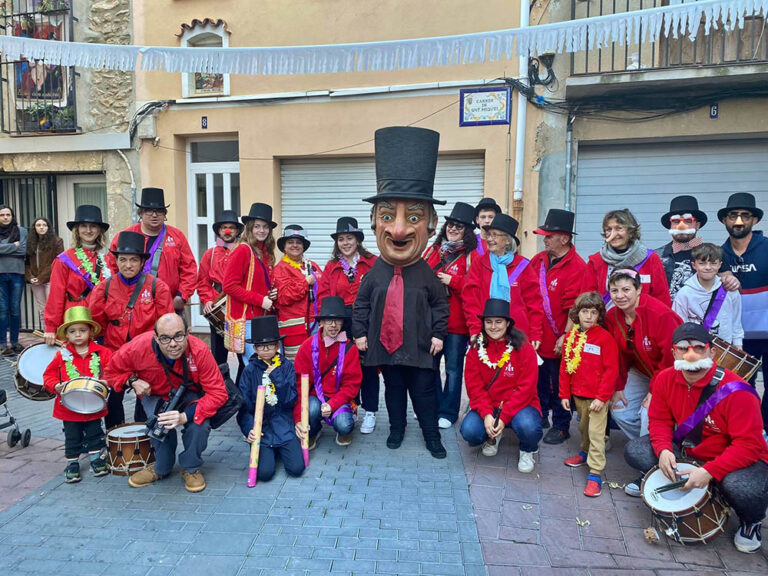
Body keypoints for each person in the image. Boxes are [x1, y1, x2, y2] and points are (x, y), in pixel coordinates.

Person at [624, 322, 768, 554]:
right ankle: (685, 477)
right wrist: (664, 450)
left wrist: (710, 471)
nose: (690, 354)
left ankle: (751, 521)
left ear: (712, 352)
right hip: (691, 451)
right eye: (682, 348)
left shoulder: (738, 391)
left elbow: (748, 446)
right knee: (636, 450)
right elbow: (659, 421)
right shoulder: (664, 379)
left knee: (740, 488)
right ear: (674, 353)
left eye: (699, 347)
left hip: (738, 460)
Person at [352, 126, 450, 459]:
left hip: (421, 349)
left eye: (414, 216)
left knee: (425, 395)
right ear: (374, 222)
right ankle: (396, 430)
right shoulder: (373, 273)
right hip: (386, 350)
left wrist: (438, 335)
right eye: (387, 215)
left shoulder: (427, 274)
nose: (398, 230)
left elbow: (441, 305)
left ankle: (432, 437)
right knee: (393, 393)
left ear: (431, 224)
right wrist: (360, 334)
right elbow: (361, 306)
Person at [104, 314, 227, 492]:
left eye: (179, 336)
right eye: (165, 338)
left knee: (199, 425)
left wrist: (185, 416)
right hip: (155, 394)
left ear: (188, 333)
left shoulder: (199, 350)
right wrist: (132, 381)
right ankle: (161, 467)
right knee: (157, 425)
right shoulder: (137, 347)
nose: (173, 344)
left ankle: (191, 467)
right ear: (156, 337)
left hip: (188, 394)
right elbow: (110, 372)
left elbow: (218, 392)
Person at [603, 269, 682, 496]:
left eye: (626, 289)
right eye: (614, 290)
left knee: (650, 412)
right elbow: (618, 354)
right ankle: (648, 450)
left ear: (639, 289)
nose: (620, 295)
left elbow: (671, 358)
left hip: (669, 373)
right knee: (620, 410)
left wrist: (654, 391)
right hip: (639, 370)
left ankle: (651, 469)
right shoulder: (612, 316)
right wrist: (618, 386)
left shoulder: (660, 314)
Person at [90, 231, 174, 429]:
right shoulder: (104, 288)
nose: (128, 265)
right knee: (112, 398)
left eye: (134, 260)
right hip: (114, 351)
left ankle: (143, 438)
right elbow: (96, 323)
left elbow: (166, 324)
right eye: (123, 259)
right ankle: (113, 435)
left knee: (145, 399)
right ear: (116, 261)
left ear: (142, 262)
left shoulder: (157, 287)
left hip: (146, 353)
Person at [460, 298, 542, 473]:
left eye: (498, 322)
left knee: (529, 427)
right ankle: (494, 435)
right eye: (488, 322)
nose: (493, 327)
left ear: (507, 324)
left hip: (520, 406)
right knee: (469, 431)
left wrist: (504, 417)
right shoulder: (475, 348)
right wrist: (487, 415)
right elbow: (474, 388)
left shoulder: (524, 347)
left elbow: (526, 388)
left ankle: (527, 449)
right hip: (490, 405)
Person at [529, 208, 586, 444]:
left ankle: (561, 426)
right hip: (537, 336)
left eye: (549, 236)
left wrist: (566, 336)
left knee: (562, 383)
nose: (545, 239)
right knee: (538, 380)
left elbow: (575, 307)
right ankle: (541, 415)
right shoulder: (539, 260)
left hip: (559, 338)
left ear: (564, 238)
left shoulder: (577, 267)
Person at [317, 217, 379, 433]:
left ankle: (370, 411)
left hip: (368, 322)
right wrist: (327, 324)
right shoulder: (331, 267)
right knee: (345, 367)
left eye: (349, 238)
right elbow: (323, 296)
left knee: (368, 367)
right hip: (341, 323)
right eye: (341, 239)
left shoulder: (373, 262)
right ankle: (350, 406)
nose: (345, 243)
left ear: (358, 240)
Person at [423, 202, 477, 429]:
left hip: (457, 325)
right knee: (431, 367)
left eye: (459, 226)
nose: (453, 229)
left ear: (467, 231)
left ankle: (449, 411)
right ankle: (434, 406)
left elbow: (475, 288)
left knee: (453, 370)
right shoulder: (433, 250)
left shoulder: (471, 255)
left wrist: (452, 281)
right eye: (451, 224)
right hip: (433, 322)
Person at [42, 306, 112, 483]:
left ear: (91, 331)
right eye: (72, 331)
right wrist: (56, 385)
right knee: (72, 436)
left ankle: (96, 459)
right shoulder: (61, 355)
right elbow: (48, 376)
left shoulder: (102, 353)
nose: (78, 335)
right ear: (66, 335)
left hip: (94, 404)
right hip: (69, 407)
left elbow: (112, 371)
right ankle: (72, 462)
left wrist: (107, 381)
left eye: (82, 330)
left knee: (95, 433)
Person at [559, 292, 619, 497]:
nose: (588, 316)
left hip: (598, 398)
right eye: (585, 311)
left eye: (594, 312)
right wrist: (564, 394)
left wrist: (602, 398)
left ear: (599, 315)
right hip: (578, 395)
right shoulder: (571, 337)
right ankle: (584, 453)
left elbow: (611, 371)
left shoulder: (605, 339)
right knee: (583, 428)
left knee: (596, 433)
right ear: (577, 313)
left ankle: (595, 473)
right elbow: (565, 368)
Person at [719, 192, 768, 432]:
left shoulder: (766, 247)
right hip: (737, 337)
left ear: (754, 220)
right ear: (724, 220)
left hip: (766, 332)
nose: (738, 221)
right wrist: (720, 273)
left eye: (745, 215)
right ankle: (748, 430)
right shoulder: (718, 255)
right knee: (739, 387)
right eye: (733, 215)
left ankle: (764, 430)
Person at [106, 187, 197, 314]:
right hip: (132, 304)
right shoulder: (125, 236)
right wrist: (119, 294)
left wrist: (182, 296)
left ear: (164, 214)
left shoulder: (177, 236)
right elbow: (111, 267)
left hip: (169, 304)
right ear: (141, 213)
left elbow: (189, 269)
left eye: (159, 211)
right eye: (149, 211)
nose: (154, 215)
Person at [237, 315, 305, 482]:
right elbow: (243, 407)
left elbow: (290, 400)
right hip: (262, 429)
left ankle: (281, 450)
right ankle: (269, 452)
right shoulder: (249, 371)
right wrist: (249, 429)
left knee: (297, 469)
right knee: (265, 474)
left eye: (270, 345)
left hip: (283, 426)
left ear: (277, 346)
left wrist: (276, 377)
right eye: (261, 346)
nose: (266, 349)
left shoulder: (286, 366)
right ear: (255, 348)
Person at [463, 213, 545, 350]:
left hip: (518, 334)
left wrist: (536, 333)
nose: (490, 239)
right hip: (486, 332)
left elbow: (534, 302)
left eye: (495, 235)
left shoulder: (523, 265)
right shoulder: (479, 263)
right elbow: (470, 299)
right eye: (488, 235)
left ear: (507, 240)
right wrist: (475, 329)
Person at [294, 296, 361, 447]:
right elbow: (299, 385)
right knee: (311, 410)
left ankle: (344, 428)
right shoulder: (307, 346)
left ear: (342, 323)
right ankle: (314, 430)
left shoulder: (350, 348)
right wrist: (298, 418)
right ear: (321, 322)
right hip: (315, 397)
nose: (333, 325)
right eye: (329, 320)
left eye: (337, 320)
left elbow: (351, 385)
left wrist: (332, 404)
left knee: (344, 425)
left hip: (338, 398)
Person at [223, 202, 278, 381]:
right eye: (257, 226)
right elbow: (229, 286)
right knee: (256, 371)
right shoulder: (243, 250)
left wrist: (270, 294)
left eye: (265, 227)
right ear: (249, 228)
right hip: (247, 321)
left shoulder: (265, 252)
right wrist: (260, 300)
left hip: (262, 318)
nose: (262, 230)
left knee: (264, 369)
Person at [44, 205, 110, 347]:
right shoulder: (63, 260)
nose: (88, 230)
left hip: (100, 323)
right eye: (84, 226)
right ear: (77, 230)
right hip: (75, 321)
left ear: (99, 230)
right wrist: (51, 327)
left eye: (93, 226)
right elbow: (56, 295)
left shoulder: (107, 260)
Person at [582, 208, 671, 308]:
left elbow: (662, 299)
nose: (613, 234)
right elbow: (587, 300)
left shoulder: (650, 259)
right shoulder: (596, 261)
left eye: (619, 228)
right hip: (607, 317)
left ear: (630, 232)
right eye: (608, 229)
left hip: (642, 317)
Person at [672, 243, 743, 347]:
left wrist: (738, 346)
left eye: (713, 263)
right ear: (694, 265)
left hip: (725, 349)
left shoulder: (730, 291)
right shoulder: (684, 294)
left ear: (720, 265)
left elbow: (736, 323)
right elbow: (679, 326)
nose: (708, 267)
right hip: (695, 349)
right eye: (702, 263)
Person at [198, 209, 243, 365]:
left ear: (237, 231)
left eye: (231, 227)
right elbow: (202, 282)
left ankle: (242, 381)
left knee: (242, 353)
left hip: (239, 308)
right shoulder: (209, 255)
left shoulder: (244, 252)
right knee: (219, 356)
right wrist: (208, 300)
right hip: (217, 308)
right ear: (219, 230)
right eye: (224, 227)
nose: (227, 231)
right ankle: (221, 381)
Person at [273, 225, 322, 360]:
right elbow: (283, 297)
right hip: (294, 327)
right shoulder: (280, 269)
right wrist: (305, 283)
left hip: (316, 323)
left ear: (303, 246)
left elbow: (323, 290)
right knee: (297, 363)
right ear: (284, 247)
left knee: (316, 362)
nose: (295, 245)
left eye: (298, 242)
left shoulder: (312, 265)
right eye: (290, 242)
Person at [25, 216, 64, 324]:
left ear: (48, 227)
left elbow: (58, 262)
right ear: (34, 228)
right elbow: (26, 263)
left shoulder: (57, 241)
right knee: (42, 309)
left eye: (44, 225)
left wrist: (41, 278)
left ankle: (56, 333)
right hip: (35, 281)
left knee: (53, 308)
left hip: (51, 280)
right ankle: (45, 332)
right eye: (38, 225)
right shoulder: (30, 242)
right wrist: (30, 277)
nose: (41, 227)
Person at [0, 205, 27, 356]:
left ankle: (15, 342)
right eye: (2, 215)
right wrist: (13, 246)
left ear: (12, 216)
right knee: (2, 309)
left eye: (8, 214)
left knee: (15, 309)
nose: (5, 217)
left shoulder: (21, 231)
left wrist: (3, 248)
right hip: (0, 273)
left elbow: (23, 250)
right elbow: (17, 248)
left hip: (17, 272)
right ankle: (3, 344)